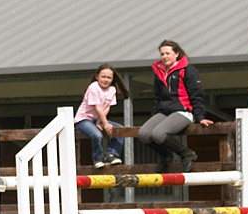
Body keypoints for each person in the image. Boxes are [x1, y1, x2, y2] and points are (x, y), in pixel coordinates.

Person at [136, 40, 208, 173]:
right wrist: (155, 115)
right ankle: (165, 155)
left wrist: (200, 116)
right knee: (143, 134)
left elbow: (197, 95)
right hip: (164, 112)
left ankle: (187, 154)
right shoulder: (160, 73)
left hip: (183, 111)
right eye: (162, 54)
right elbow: (157, 97)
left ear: (177, 54)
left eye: (167, 53)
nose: (164, 56)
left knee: (158, 134)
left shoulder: (188, 70)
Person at [74, 64, 128, 167]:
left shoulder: (112, 90)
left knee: (119, 129)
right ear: (97, 77)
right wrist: (106, 123)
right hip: (84, 119)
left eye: (109, 77)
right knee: (97, 135)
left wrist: (100, 121)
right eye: (103, 77)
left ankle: (111, 154)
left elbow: (107, 107)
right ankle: (97, 159)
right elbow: (98, 107)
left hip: (97, 119)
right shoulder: (94, 87)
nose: (106, 80)